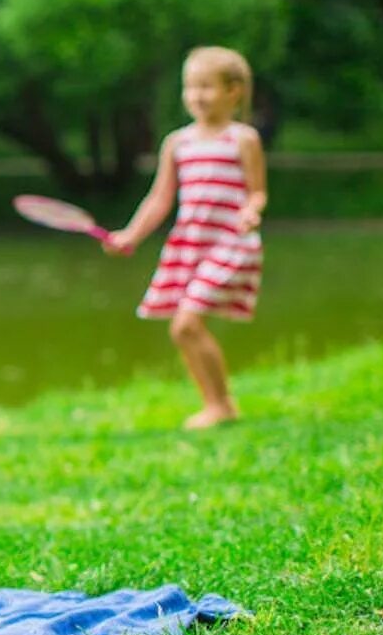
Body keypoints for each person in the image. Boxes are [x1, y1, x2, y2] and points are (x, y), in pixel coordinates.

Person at [104, 46, 266, 429]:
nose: (196, 95)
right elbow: (159, 199)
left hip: (229, 243)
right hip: (191, 244)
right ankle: (217, 404)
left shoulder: (242, 139)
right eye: (190, 87)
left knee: (185, 325)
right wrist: (131, 235)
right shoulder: (178, 143)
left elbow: (257, 191)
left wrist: (251, 210)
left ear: (234, 91)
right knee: (184, 330)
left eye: (206, 87)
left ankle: (220, 405)